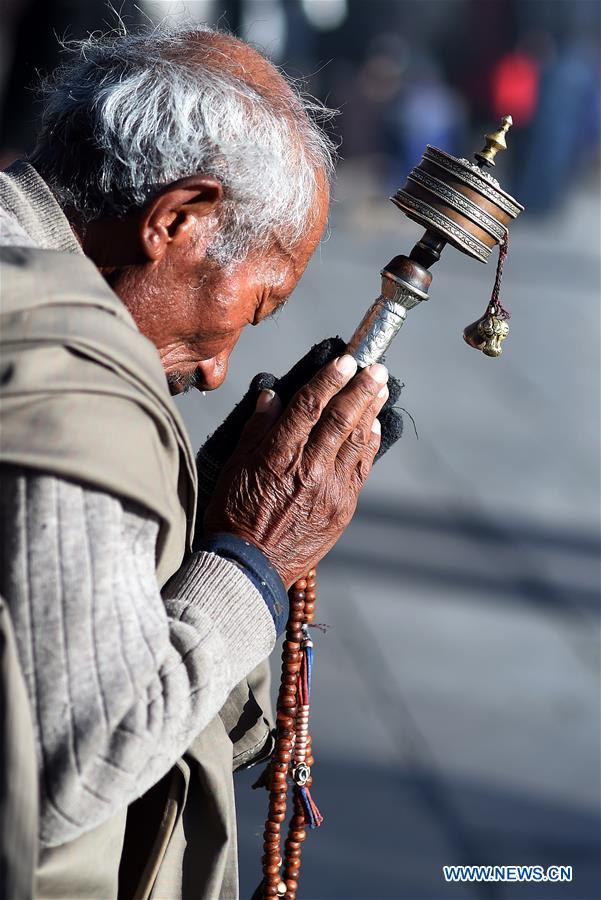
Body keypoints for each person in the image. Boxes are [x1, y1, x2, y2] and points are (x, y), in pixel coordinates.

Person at [0, 23, 389, 900]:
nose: (217, 370)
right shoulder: (63, 357)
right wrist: (251, 559)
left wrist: (193, 511)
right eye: (257, 306)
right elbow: (79, 765)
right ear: (177, 219)